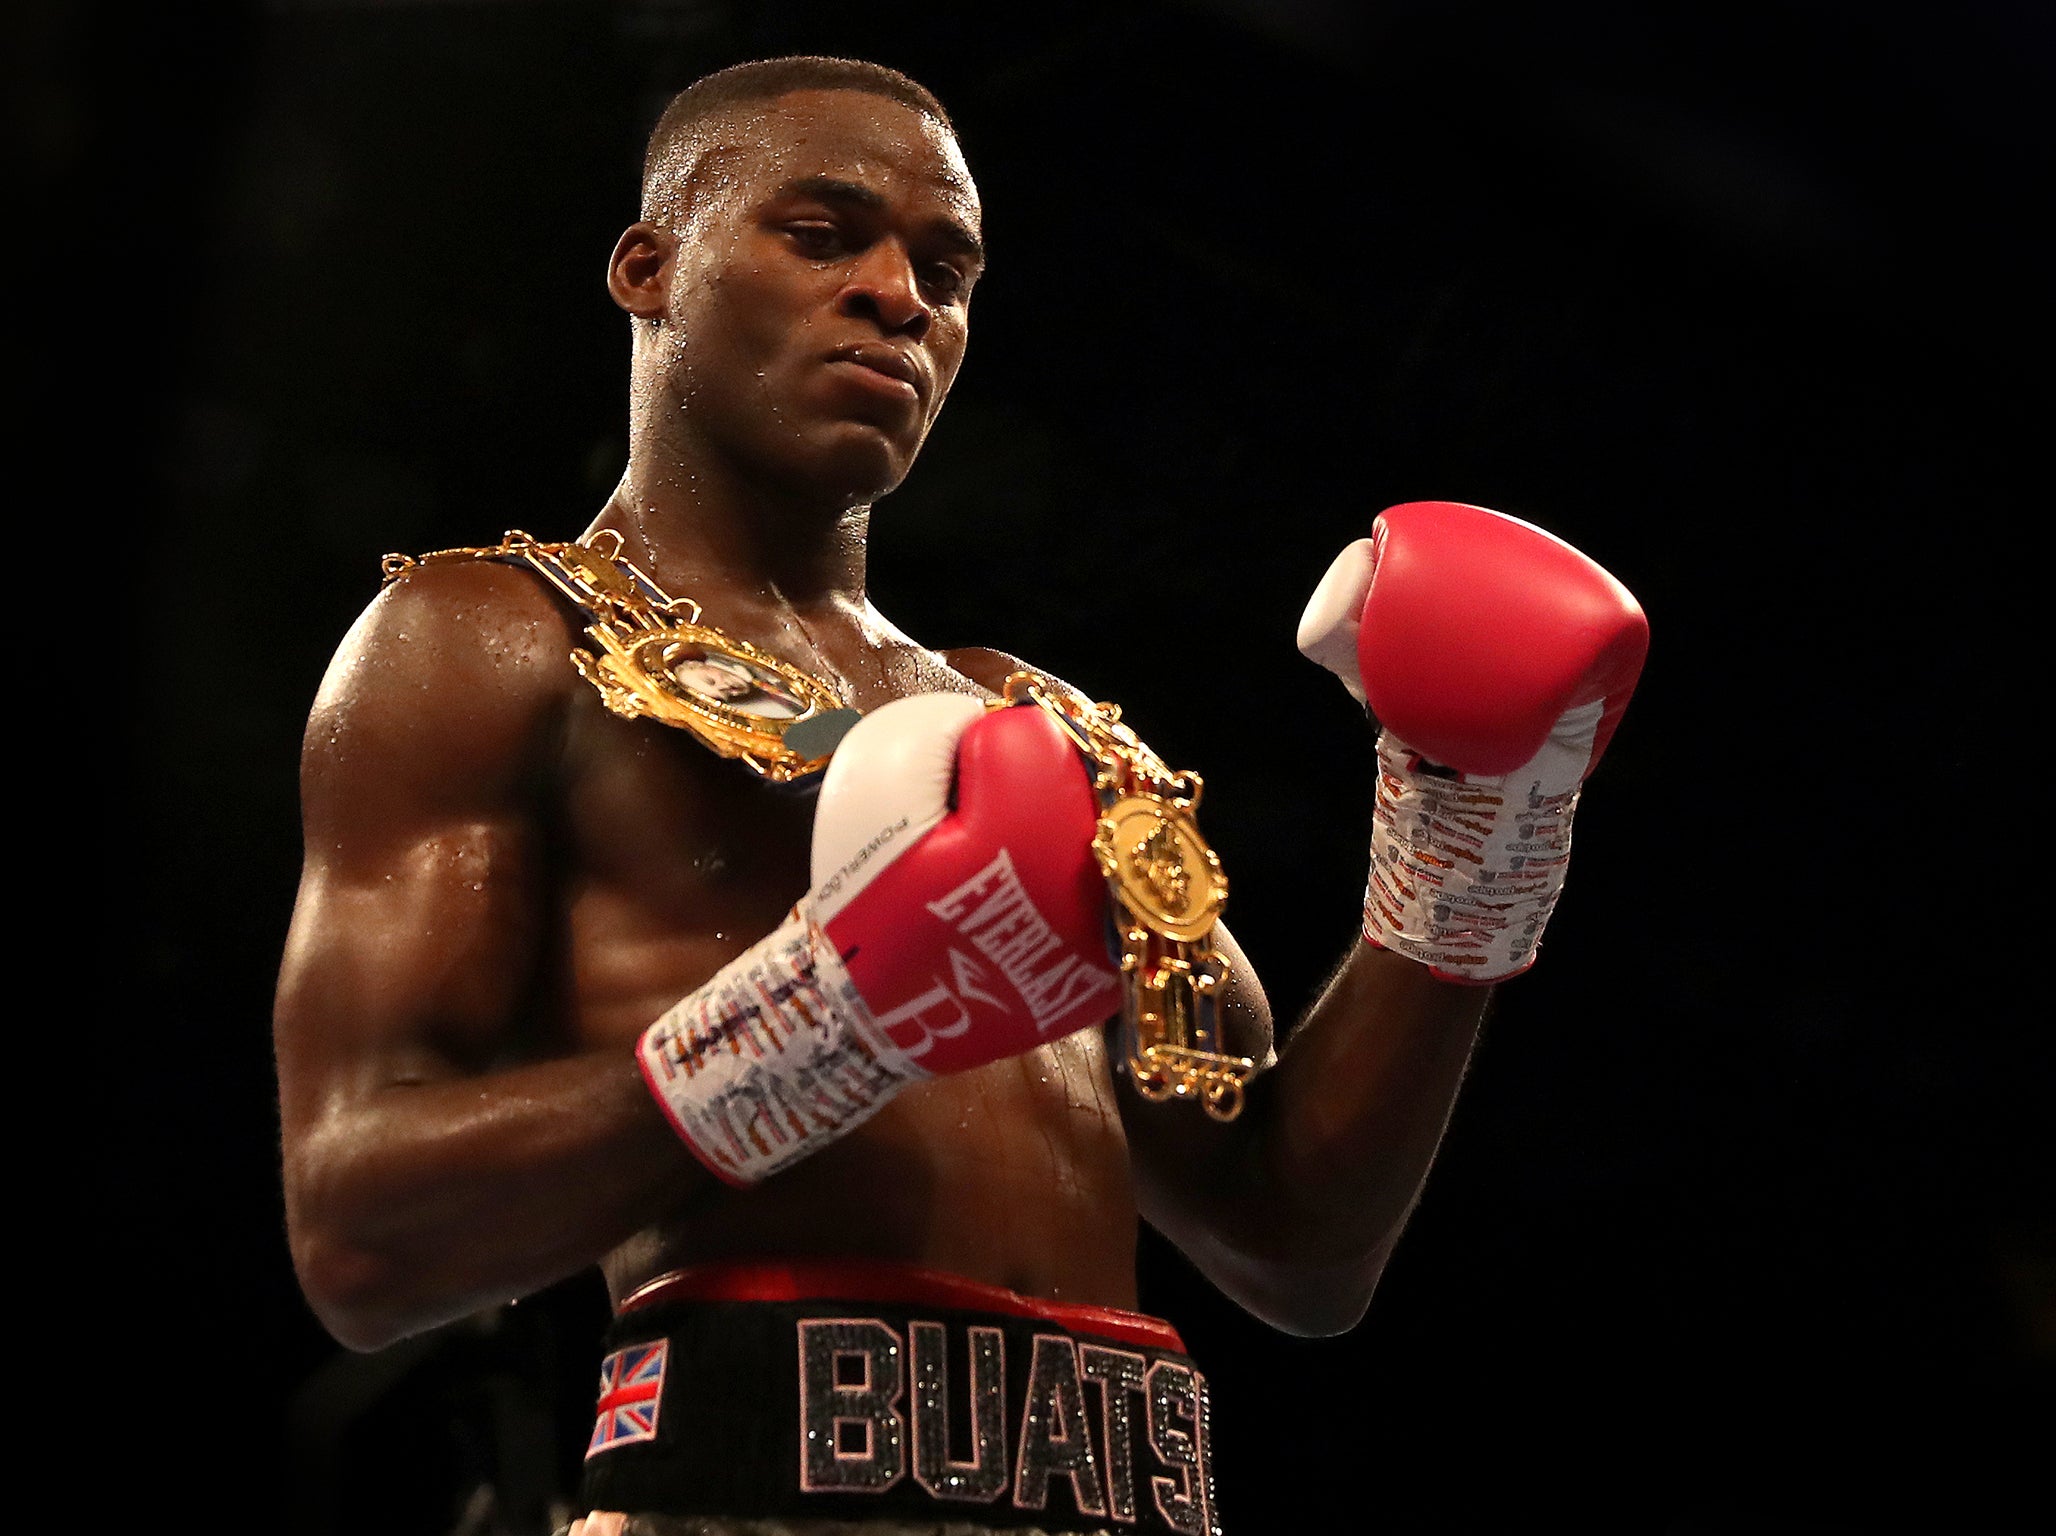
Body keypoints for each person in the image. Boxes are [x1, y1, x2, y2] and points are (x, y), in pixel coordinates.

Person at [273, 55, 1647, 1536]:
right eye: (823, 233)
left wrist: (1469, 841)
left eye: (947, 267)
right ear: (649, 265)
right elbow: (358, 1236)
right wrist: (823, 1026)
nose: (897, 296)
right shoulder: (496, 637)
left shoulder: (1039, 728)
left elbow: (1297, 1246)